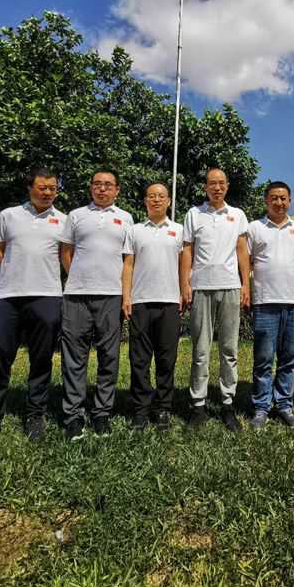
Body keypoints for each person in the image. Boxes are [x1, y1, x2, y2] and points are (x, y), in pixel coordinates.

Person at [0, 167, 66, 443]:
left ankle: (35, 415)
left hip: (47, 296)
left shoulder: (63, 221)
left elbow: (66, 256)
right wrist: (14, 273)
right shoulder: (8, 215)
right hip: (8, 296)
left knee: (41, 360)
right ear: (30, 188)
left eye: (52, 188)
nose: (47, 193)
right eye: (42, 187)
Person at [60, 168, 134, 440]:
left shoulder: (126, 218)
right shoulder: (76, 215)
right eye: (97, 184)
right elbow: (65, 253)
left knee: (109, 356)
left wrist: (125, 294)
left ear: (117, 190)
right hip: (76, 296)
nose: (102, 189)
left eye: (108, 185)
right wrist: (80, 278)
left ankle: (101, 414)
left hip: (111, 296)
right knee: (74, 357)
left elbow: (128, 259)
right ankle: (73, 416)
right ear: (91, 187)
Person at [180, 168, 249, 431]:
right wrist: (185, 284)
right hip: (201, 287)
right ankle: (198, 405)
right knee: (200, 350)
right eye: (212, 183)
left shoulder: (237, 215)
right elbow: (187, 250)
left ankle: (227, 404)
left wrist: (245, 284)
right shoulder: (194, 214)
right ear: (205, 187)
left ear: (227, 186)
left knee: (229, 350)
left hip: (230, 286)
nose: (217, 188)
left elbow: (242, 250)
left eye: (221, 183)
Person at [247, 181, 294, 429]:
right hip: (265, 302)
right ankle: (261, 407)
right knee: (263, 358)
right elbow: (246, 260)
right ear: (266, 200)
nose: (279, 202)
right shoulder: (255, 228)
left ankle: (284, 405)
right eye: (274, 198)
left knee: (289, 357)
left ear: (289, 201)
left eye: (283, 198)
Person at [122, 182, 183, 432]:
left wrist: (184, 291)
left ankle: (163, 408)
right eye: (151, 196)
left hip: (170, 302)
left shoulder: (178, 231)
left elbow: (184, 265)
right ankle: (141, 409)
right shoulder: (135, 231)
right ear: (145, 201)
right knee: (139, 359)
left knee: (167, 358)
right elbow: (128, 265)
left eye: (161, 196)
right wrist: (126, 296)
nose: (156, 200)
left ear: (168, 201)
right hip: (141, 302)